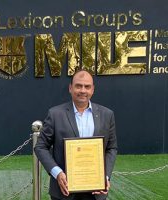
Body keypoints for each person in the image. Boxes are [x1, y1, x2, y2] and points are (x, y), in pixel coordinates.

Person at [35, 69, 118, 200]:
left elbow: (111, 148)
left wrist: (105, 176)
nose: (83, 90)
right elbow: (40, 146)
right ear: (70, 88)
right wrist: (58, 173)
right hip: (64, 190)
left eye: (87, 86)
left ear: (93, 89)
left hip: (96, 191)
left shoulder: (107, 115)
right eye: (78, 86)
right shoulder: (55, 114)